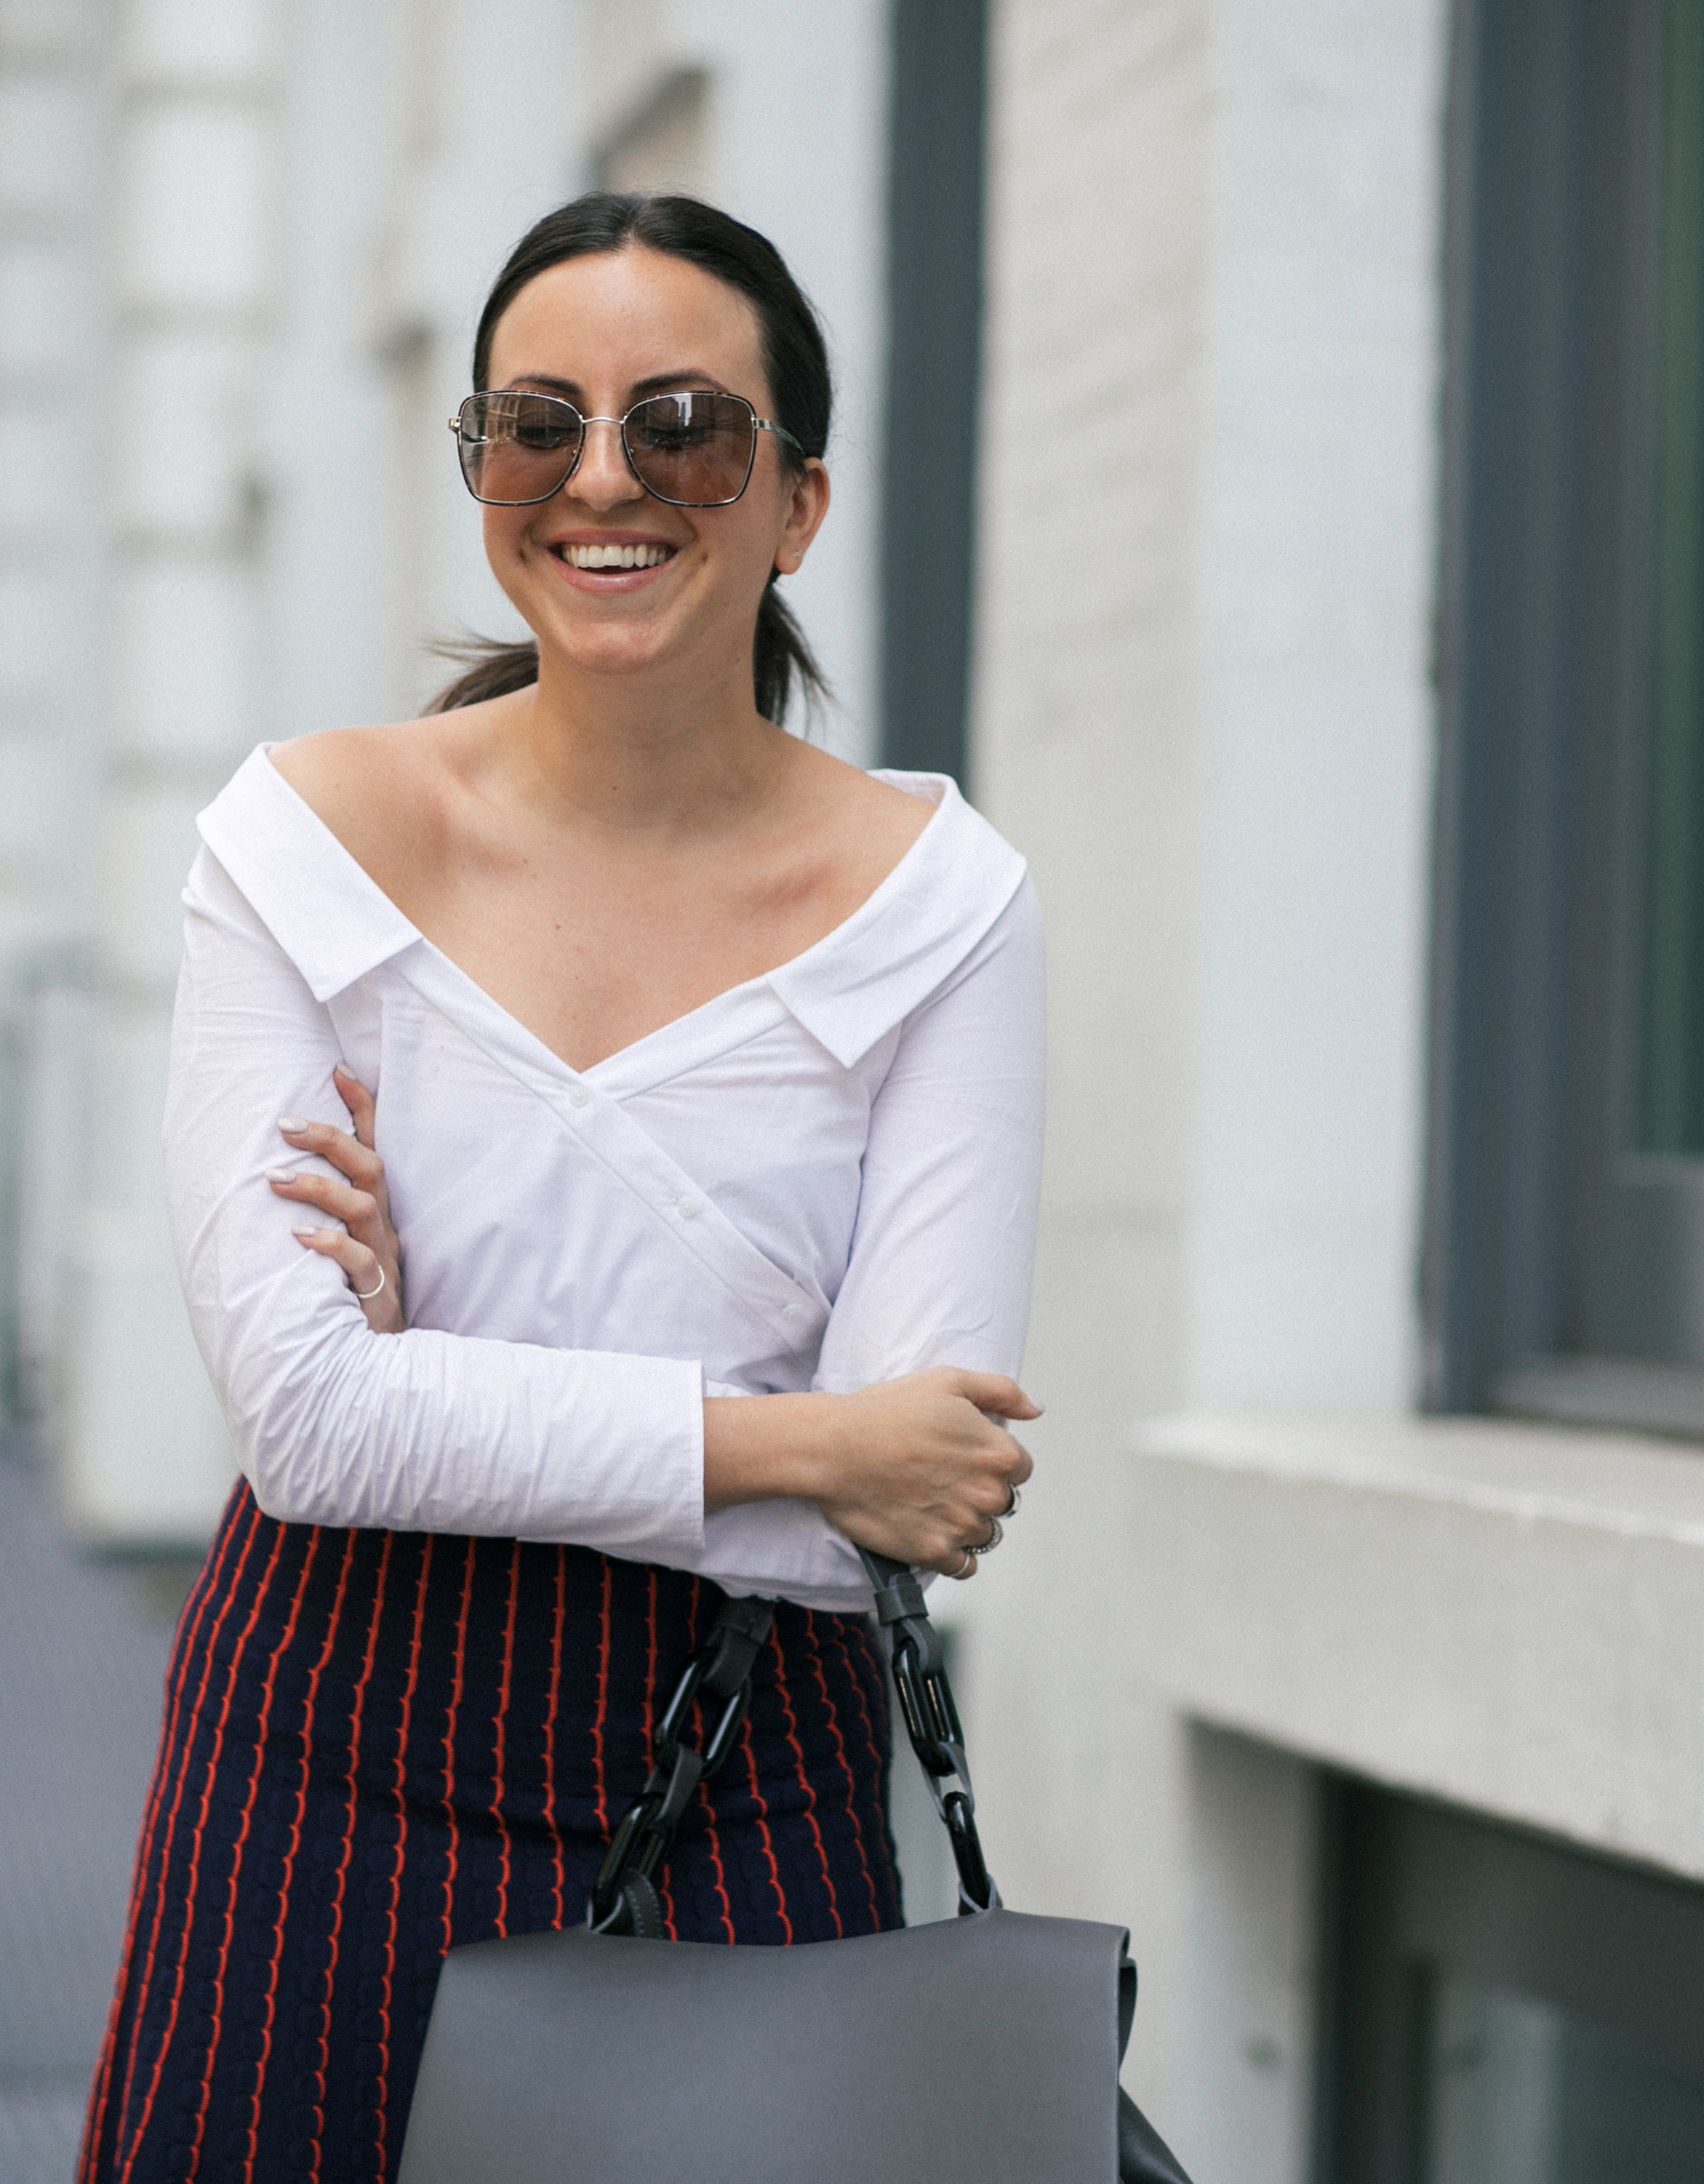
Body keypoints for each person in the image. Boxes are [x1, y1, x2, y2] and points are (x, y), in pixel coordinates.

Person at [80, 193, 1044, 2182]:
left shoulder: (945, 910)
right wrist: (793, 1433)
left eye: (683, 425)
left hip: (739, 1776)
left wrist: (451, 1356)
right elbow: (318, 1426)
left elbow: (916, 1482)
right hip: (315, 1756)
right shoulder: (301, 851)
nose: (605, 480)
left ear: (796, 502)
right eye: (538, 426)